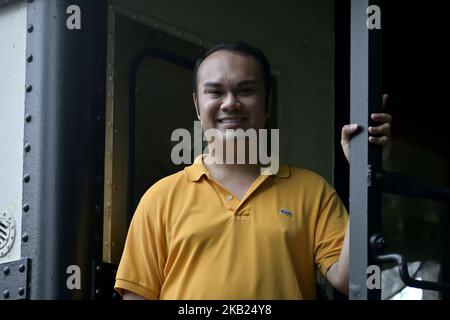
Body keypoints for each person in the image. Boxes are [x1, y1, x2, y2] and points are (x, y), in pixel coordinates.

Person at [114, 42, 391, 300]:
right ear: (198, 105)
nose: (230, 103)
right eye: (215, 92)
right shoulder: (160, 198)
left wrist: (363, 172)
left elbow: (349, 280)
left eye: (246, 90)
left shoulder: (312, 191)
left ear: (267, 103)